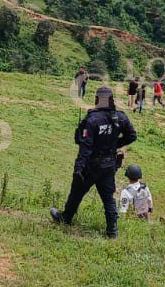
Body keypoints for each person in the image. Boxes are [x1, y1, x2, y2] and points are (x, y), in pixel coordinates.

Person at [50, 86, 137, 238]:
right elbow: (132, 136)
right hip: (109, 164)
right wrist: (115, 144)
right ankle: (112, 231)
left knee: (76, 193)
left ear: (97, 99)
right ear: (111, 100)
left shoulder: (92, 119)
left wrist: (78, 169)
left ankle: (66, 217)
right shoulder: (120, 117)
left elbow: (85, 147)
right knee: (108, 198)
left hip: (91, 166)